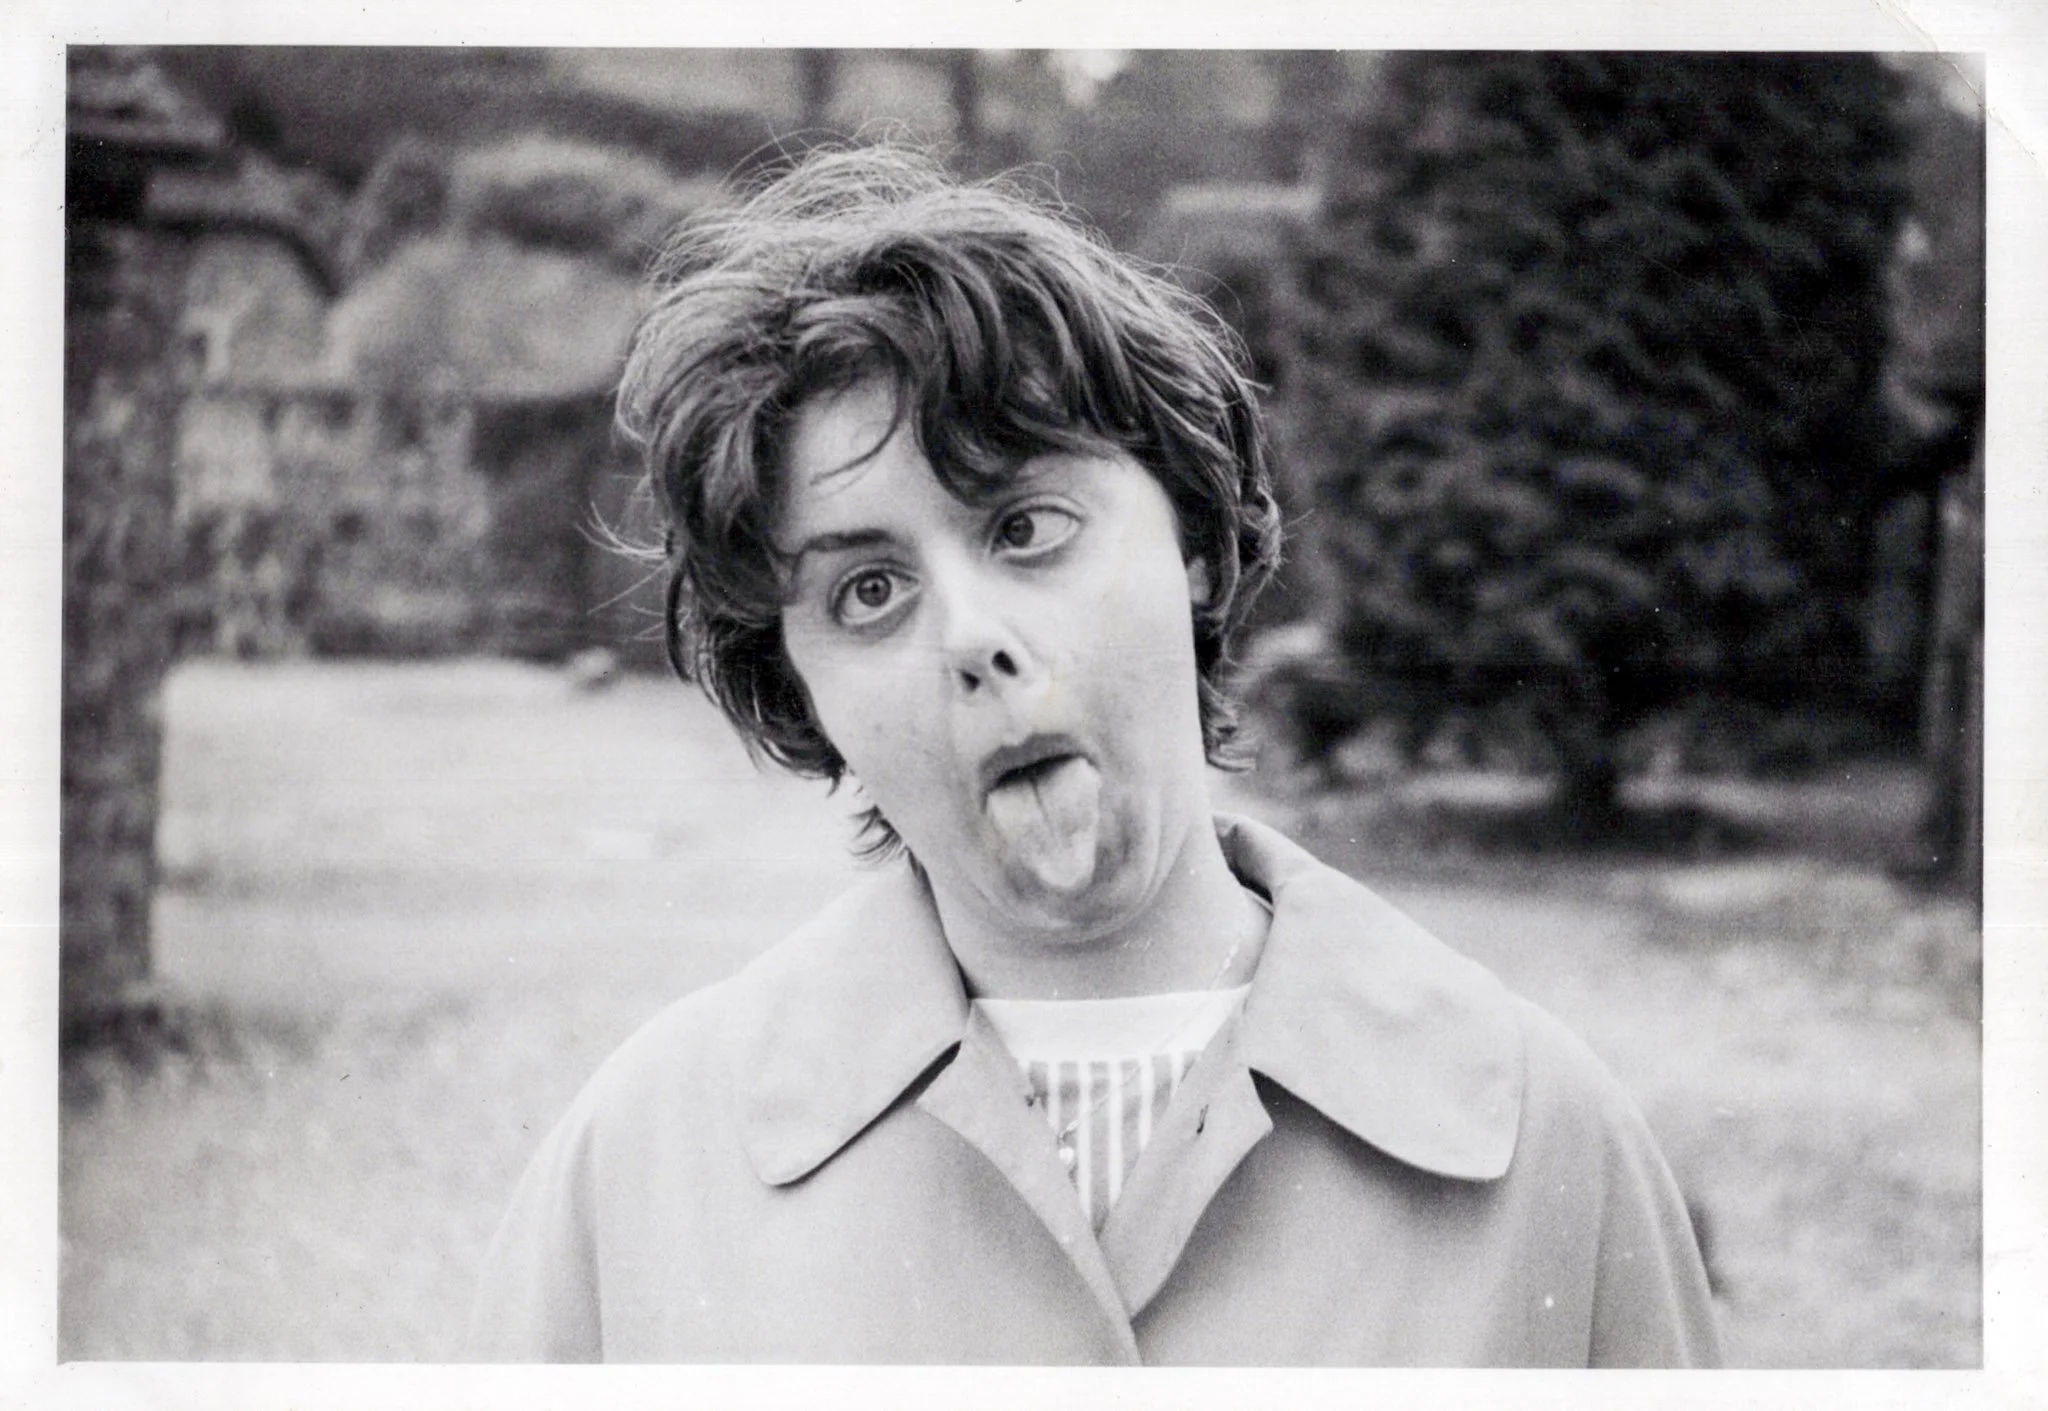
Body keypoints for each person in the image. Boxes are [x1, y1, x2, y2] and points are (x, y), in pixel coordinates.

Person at [468, 145, 1721, 1367]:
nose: (973, 639)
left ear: (1188, 540)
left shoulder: (1546, 1140)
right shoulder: (638, 1170)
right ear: (801, 685)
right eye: (865, 591)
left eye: (1024, 526)